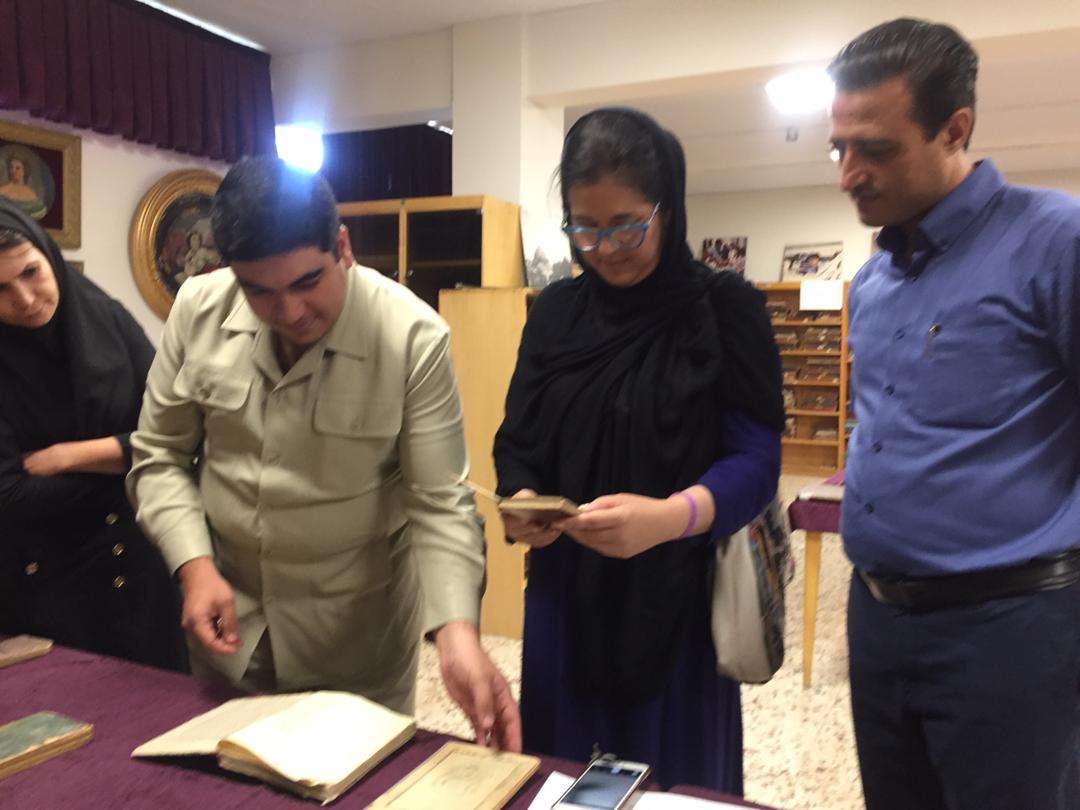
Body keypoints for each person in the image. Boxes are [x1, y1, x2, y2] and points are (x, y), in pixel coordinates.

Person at [127, 156, 520, 750]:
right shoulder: (196, 311)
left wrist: (457, 633)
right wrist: (194, 566)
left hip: (355, 643)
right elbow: (158, 456)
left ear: (342, 247)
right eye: (259, 291)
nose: (288, 312)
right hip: (232, 629)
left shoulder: (412, 337)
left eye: (307, 282)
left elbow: (439, 502)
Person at [493, 108, 784, 791]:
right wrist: (523, 500)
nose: (606, 248)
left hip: (677, 604)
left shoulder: (723, 309)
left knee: (668, 786)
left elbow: (756, 462)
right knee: (571, 784)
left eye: (627, 226)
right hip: (566, 602)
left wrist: (670, 518)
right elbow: (519, 440)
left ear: (667, 209)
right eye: (585, 228)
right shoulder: (555, 314)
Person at [830, 18, 1080, 810]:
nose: (850, 174)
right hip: (877, 620)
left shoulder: (1057, 241)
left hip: (1010, 629)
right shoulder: (873, 282)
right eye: (839, 149)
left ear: (955, 129)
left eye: (875, 149)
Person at [0, 199, 186, 671]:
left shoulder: (108, 318)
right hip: (44, 584)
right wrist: (129, 465)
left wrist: (68, 456)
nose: (25, 299)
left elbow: (178, 436)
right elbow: (9, 495)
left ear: (48, 254)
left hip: (143, 567)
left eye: (30, 273)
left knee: (162, 699)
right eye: (0, 288)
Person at [0, 156, 47, 220]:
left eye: (18, 168)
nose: (13, 171)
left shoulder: (31, 194)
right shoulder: (2, 191)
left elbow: (39, 215)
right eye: (11, 167)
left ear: (24, 171)